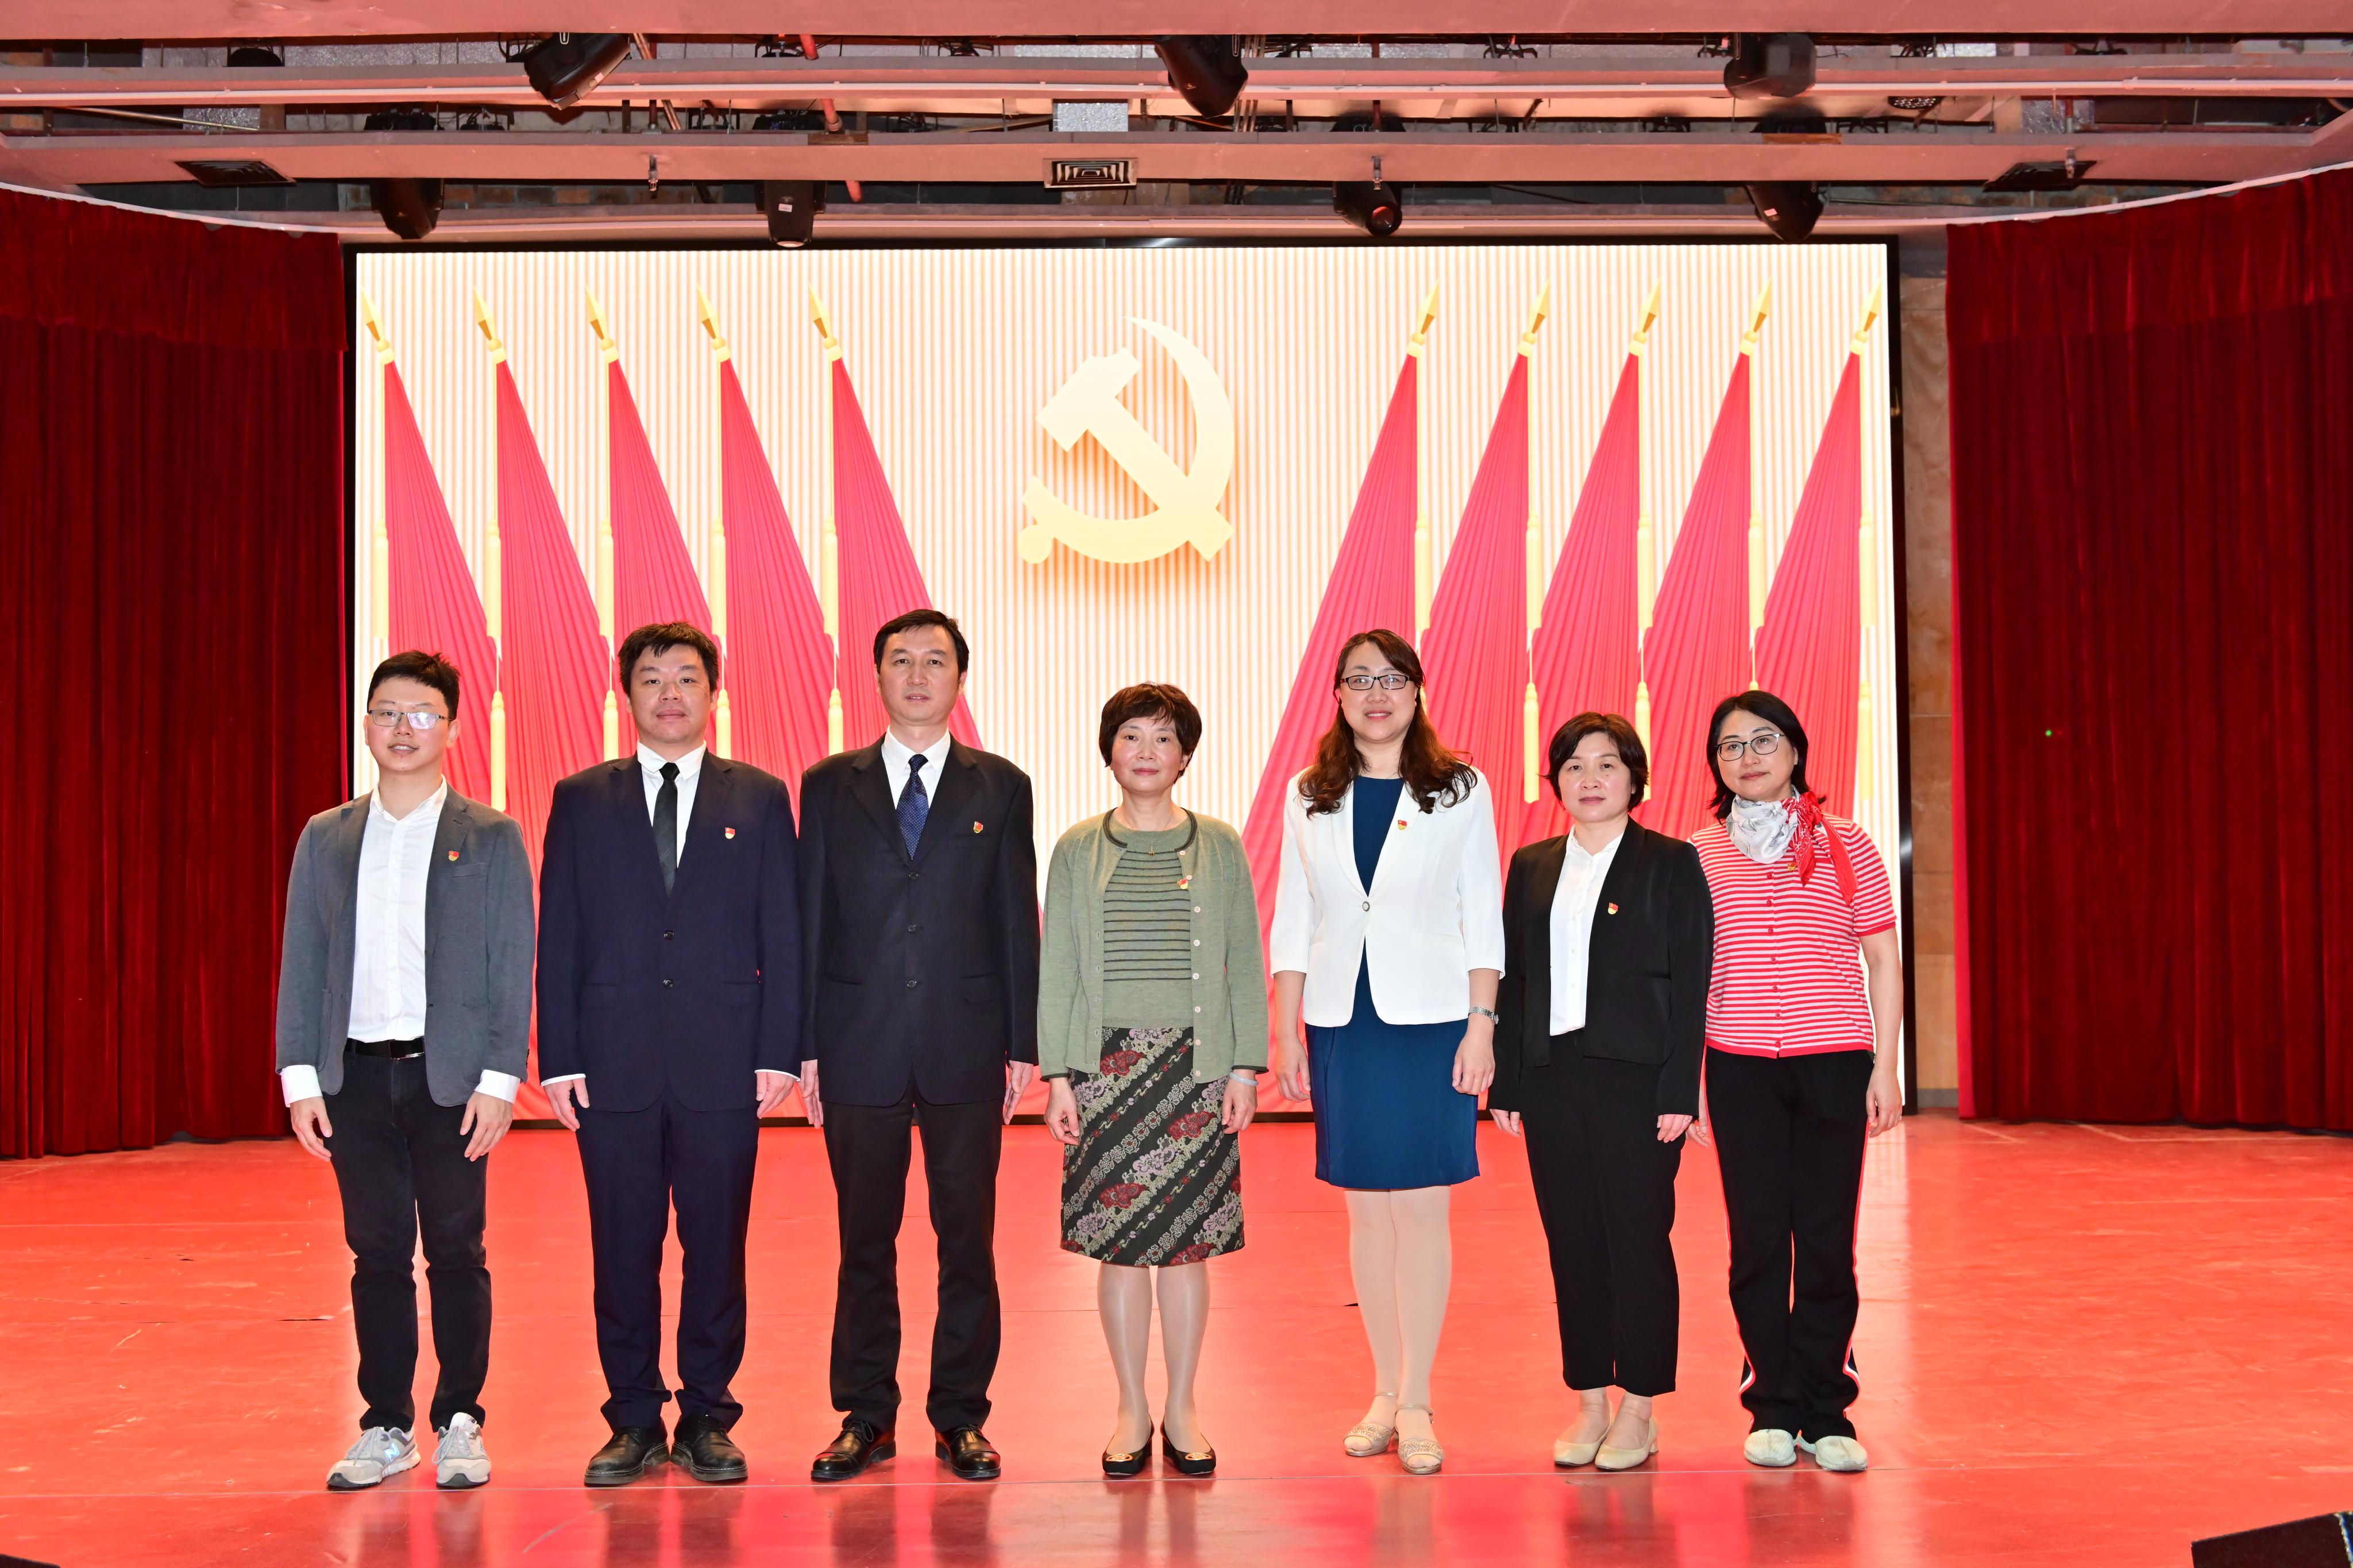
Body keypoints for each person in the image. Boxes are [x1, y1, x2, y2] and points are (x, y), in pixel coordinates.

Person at [537, 621, 802, 1488]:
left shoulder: (758, 797)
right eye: (651, 679)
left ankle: (709, 1416)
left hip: (724, 1062)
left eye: (687, 677)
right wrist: (560, 1055)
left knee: (716, 1247)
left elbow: (782, 931)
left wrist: (780, 1050)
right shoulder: (583, 798)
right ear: (627, 695)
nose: (670, 694)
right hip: (610, 1063)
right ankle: (633, 1418)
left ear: (714, 693)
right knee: (623, 1247)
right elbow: (560, 931)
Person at [275, 650, 534, 1492]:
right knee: (376, 1254)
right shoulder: (327, 836)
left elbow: (511, 964)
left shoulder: (489, 836)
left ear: (451, 728)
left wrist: (500, 1080)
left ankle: (460, 1417)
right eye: (386, 712)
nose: (402, 728)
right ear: (366, 725)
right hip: (353, 1078)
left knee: (457, 1250)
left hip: (448, 1080)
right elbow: (303, 958)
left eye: (422, 714)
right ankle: (385, 1423)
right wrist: (300, 1076)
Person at [797, 608, 1040, 1484]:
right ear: (877, 676)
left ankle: (961, 1416)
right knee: (863, 1239)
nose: (916, 674)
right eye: (900, 659)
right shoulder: (829, 784)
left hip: (964, 1041)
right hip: (855, 1040)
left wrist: (1023, 1040)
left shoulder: (1000, 786)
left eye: (934, 661)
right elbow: (809, 917)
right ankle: (865, 1414)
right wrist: (805, 1043)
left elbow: (1015, 917)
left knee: (966, 1238)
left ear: (959, 679)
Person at [1268, 628, 1505, 1477]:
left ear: (1417, 691)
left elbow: (1483, 909)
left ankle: (1418, 1399)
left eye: (1393, 678)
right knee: (1367, 1211)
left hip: (1433, 1018)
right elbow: (1295, 914)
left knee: (1424, 1208)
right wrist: (1286, 1028)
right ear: (1337, 694)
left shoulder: (1460, 787)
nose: (1378, 694)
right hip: (1344, 1019)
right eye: (1361, 679)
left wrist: (1482, 1022)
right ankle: (1381, 1389)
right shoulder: (1309, 792)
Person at [1039, 684, 1266, 1480]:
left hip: (1196, 1070)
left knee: (1187, 1248)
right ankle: (1131, 1407)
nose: (1145, 751)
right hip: (1103, 1071)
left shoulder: (1220, 844)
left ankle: (1185, 1407)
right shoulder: (1076, 848)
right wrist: (1058, 1076)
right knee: (1120, 1246)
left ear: (1185, 756)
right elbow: (1058, 970)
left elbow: (1244, 961)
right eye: (1130, 735)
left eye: (1163, 738)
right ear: (1109, 751)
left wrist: (1245, 1068)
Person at [1490, 713, 1714, 1472]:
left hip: (1638, 1082)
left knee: (1639, 1240)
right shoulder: (1531, 865)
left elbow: (1692, 982)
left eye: (1607, 764)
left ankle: (1640, 1407)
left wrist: (1680, 1087)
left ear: (1634, 778)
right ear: (1555, 780)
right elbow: (1517, 978)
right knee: (1573, 1240)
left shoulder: (1671, 862)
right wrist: (1510, 1078)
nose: (1590, 779)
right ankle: (1589, 1398)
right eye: (1574, 766)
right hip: (1552, 1078)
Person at [1692, 690, 1902, 1474]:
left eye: (1763, 740)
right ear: (1716, 764)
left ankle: (1827, 1408)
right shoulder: (1698, 853)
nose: (1747, 757)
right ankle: (1772, 1406)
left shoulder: (1847, 841)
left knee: (1824, 1240)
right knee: (1756, 1242)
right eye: (1730, 746)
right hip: (1740, 1064)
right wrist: (1692, 1082)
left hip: (1833, 1062)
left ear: (1795, 750)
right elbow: (1691, 976)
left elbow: (1882, 959)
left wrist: (1885, 1067)